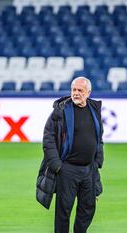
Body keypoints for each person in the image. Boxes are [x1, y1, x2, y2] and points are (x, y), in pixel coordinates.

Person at [37, 77, 104, 233]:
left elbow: (99, 138)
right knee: (63, 212)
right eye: (74, 90)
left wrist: (97, 161)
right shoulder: (61, 110)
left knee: (87, 209)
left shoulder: (94, 109)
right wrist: (56, 165)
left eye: (80, 90)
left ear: (88, 92)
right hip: (67, 169)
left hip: (89, 170)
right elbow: (48, 138)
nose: (76, 93)